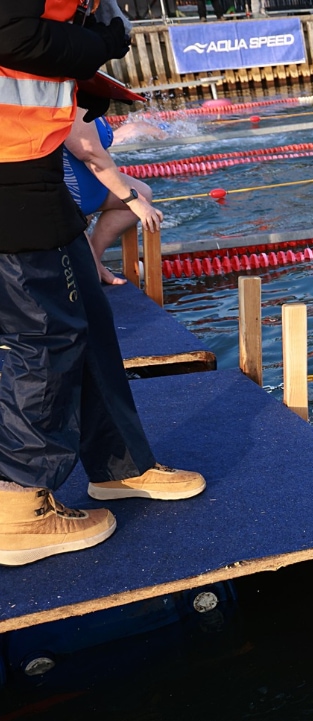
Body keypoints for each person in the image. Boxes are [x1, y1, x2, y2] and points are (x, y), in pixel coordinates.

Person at [0, 0, 206, 567]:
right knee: (43, 337)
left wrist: (86, 53)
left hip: (34, 169)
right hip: (8, 174)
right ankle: (18, 504)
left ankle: (120, 467)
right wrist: (102, 41)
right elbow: (11, 32)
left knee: (88, 320)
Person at [63, 107, 161, 285]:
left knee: (143, 194)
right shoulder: (65, 100)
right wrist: (133, 201)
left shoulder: (89, 100)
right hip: (70, 197)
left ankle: (96, 256)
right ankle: (91, 263)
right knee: (89, 281)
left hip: (90, 186)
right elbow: (89, 153)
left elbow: (102, 153)